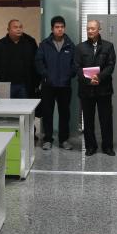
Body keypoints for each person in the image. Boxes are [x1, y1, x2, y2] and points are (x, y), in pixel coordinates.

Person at [35, 16, 77, 151]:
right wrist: (46, 75)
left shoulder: (70, 45)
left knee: (65, 114)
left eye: (62, 27)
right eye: (57, 27)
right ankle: (48, 139)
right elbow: (38, 62)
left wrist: (70, 74)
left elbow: (75, 63)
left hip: (65, 85)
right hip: (48, 85)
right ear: (52, 29)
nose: (60, 29)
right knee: (47, 113)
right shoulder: (44, 44)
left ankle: (64, 140)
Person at [75, 20, 116, 156]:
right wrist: (88, 80)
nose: (90, 31)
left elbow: (111, 65)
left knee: (106, 119)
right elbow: (77, 67)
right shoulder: (80, 47)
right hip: (86, 90)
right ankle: (90, 147)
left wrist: (99, 77)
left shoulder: (108, 46)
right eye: (88, 29)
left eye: (93, 28)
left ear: (99, 29)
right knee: (88, 120)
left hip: (104, 89)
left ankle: (107, 147)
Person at [0, 19, 38, 99]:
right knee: (6, 106)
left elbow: (35, 64)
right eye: (15, 27)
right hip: (5, 85)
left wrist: (36, 83)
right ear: (8, 29)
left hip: (24, 85)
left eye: (20, 27)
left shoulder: (29, 44)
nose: (18, 29)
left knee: (24, 106)